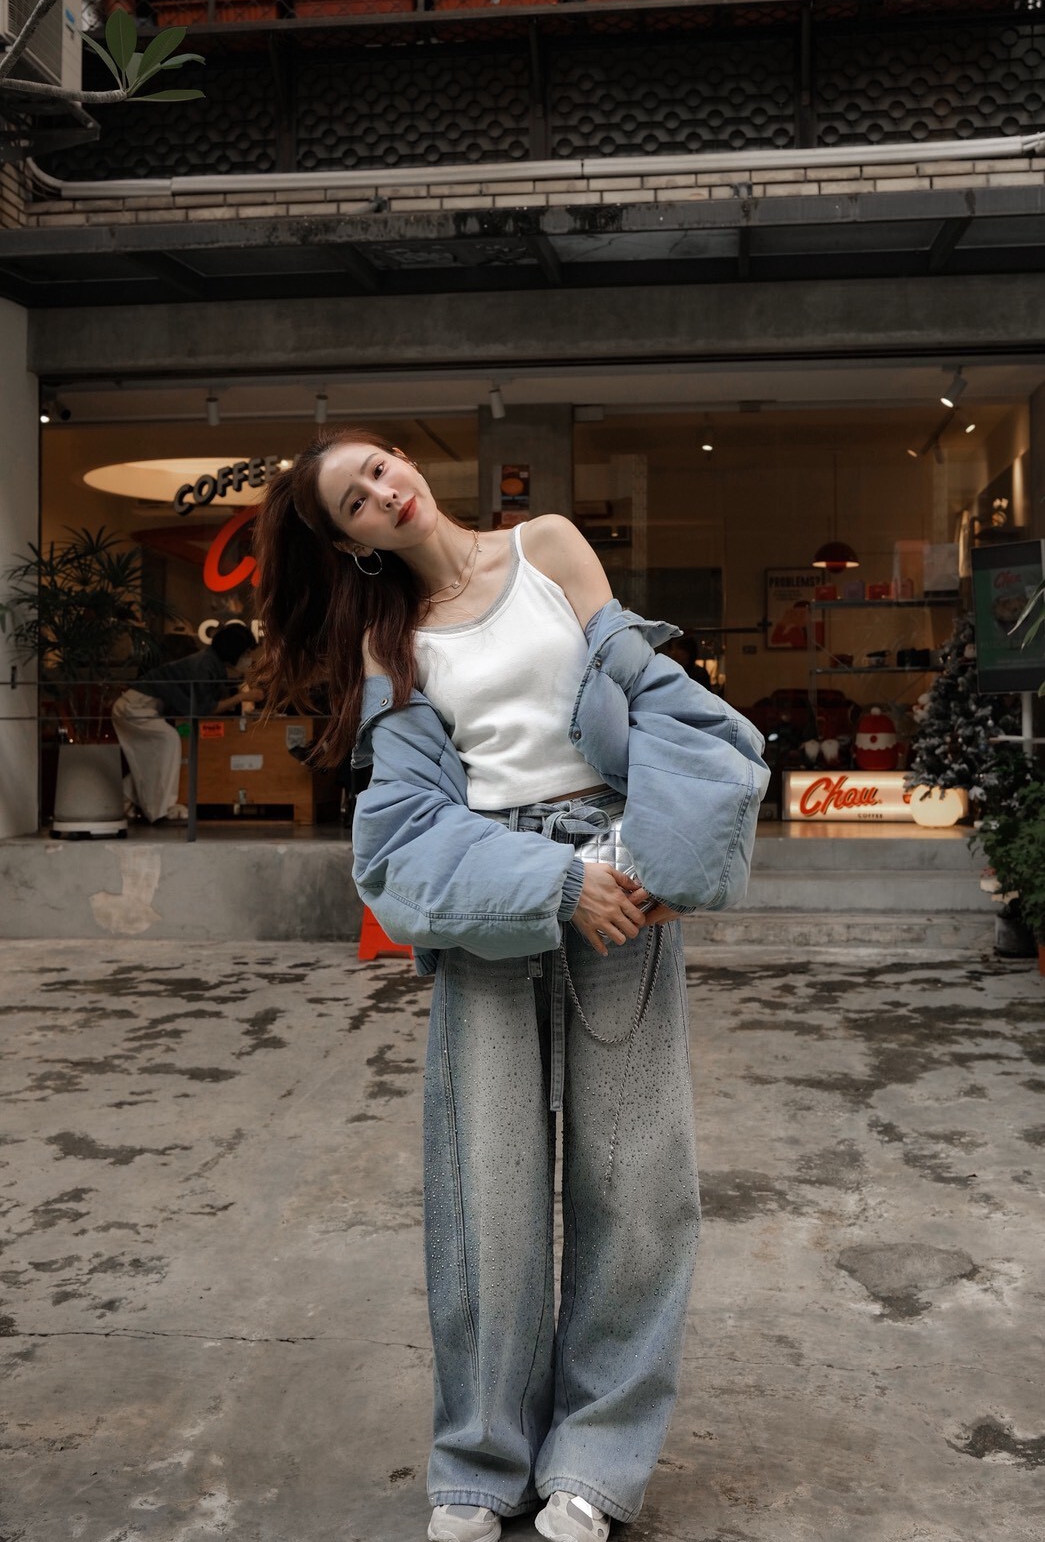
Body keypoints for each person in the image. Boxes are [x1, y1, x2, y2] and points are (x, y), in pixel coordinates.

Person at [252, 430, 769, 1542]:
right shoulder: (391, 641)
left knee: (634, 1180)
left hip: (621, 874)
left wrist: (662, 856)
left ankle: (595, 1458)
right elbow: (403, 823)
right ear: (348, 542)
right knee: (485, 1190)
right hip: (497, 894)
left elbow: (658, 701)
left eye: (380, 467)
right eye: (355, 500)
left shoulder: (549, 546)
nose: (385, 491)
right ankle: (481, 1461)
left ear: (405, 461)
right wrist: (550, 883)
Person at [112, 622, 259, 822]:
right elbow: (205, 709)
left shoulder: (209, 663)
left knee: (153, 757)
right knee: (169, 740)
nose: (249, 658)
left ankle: (122, 801)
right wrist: (243, 697)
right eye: (247, 652)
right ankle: (163, 809)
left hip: (139, 707)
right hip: (134, 708)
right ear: (234, 650)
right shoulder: (205, 665)